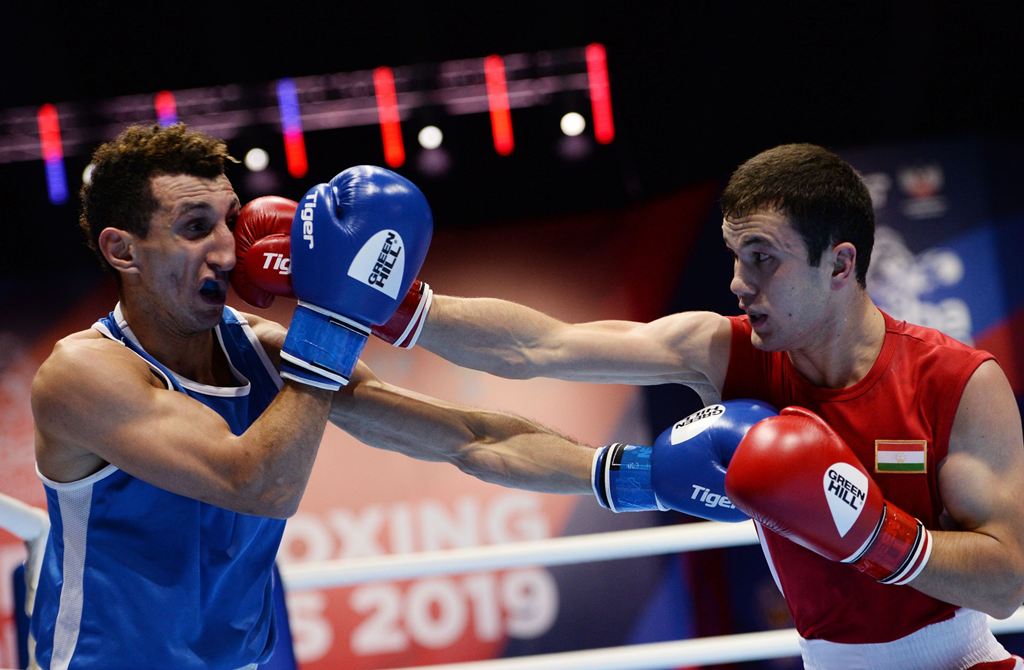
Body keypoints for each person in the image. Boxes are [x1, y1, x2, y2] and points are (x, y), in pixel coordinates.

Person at [388, 143, 1024, 668]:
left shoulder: (956, 381)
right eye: (736, 257)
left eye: (762, 259)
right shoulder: (724, 352)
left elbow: (1006, 585)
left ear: (839, 264)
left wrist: (873, 538)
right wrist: (392, 305)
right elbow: (538, 345)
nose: (738, 283)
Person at [28, 123, 610, 670]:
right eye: (195, 228)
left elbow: (469, 439)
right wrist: (333, 320)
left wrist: (629, 475)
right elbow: (256, 484)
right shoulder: (81, 375)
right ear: (123, 250)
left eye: (232, 220)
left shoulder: (262, 352)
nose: (228, 254)